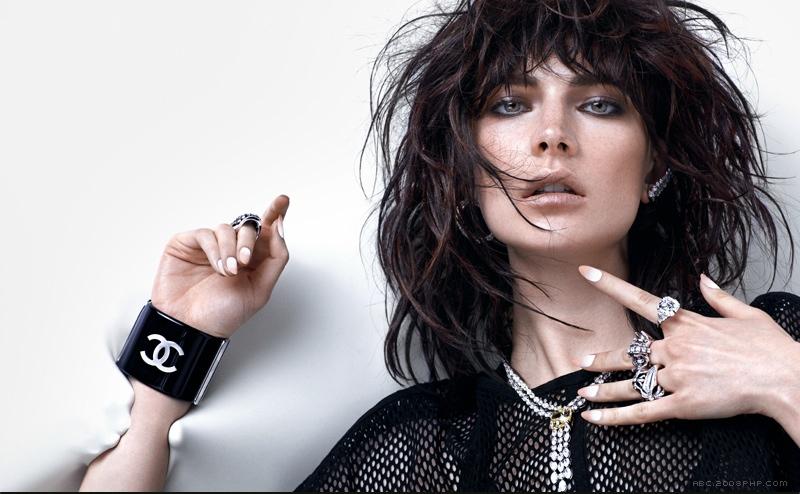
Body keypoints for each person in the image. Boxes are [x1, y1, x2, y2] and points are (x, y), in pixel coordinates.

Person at [80, 0, 800, 491]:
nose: (552, 135)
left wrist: (781, 380)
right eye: (510, 105)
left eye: (599, 104)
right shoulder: (420, 445)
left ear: (654, 168)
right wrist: (177, 349)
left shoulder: (776, 340)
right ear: (462, 170)